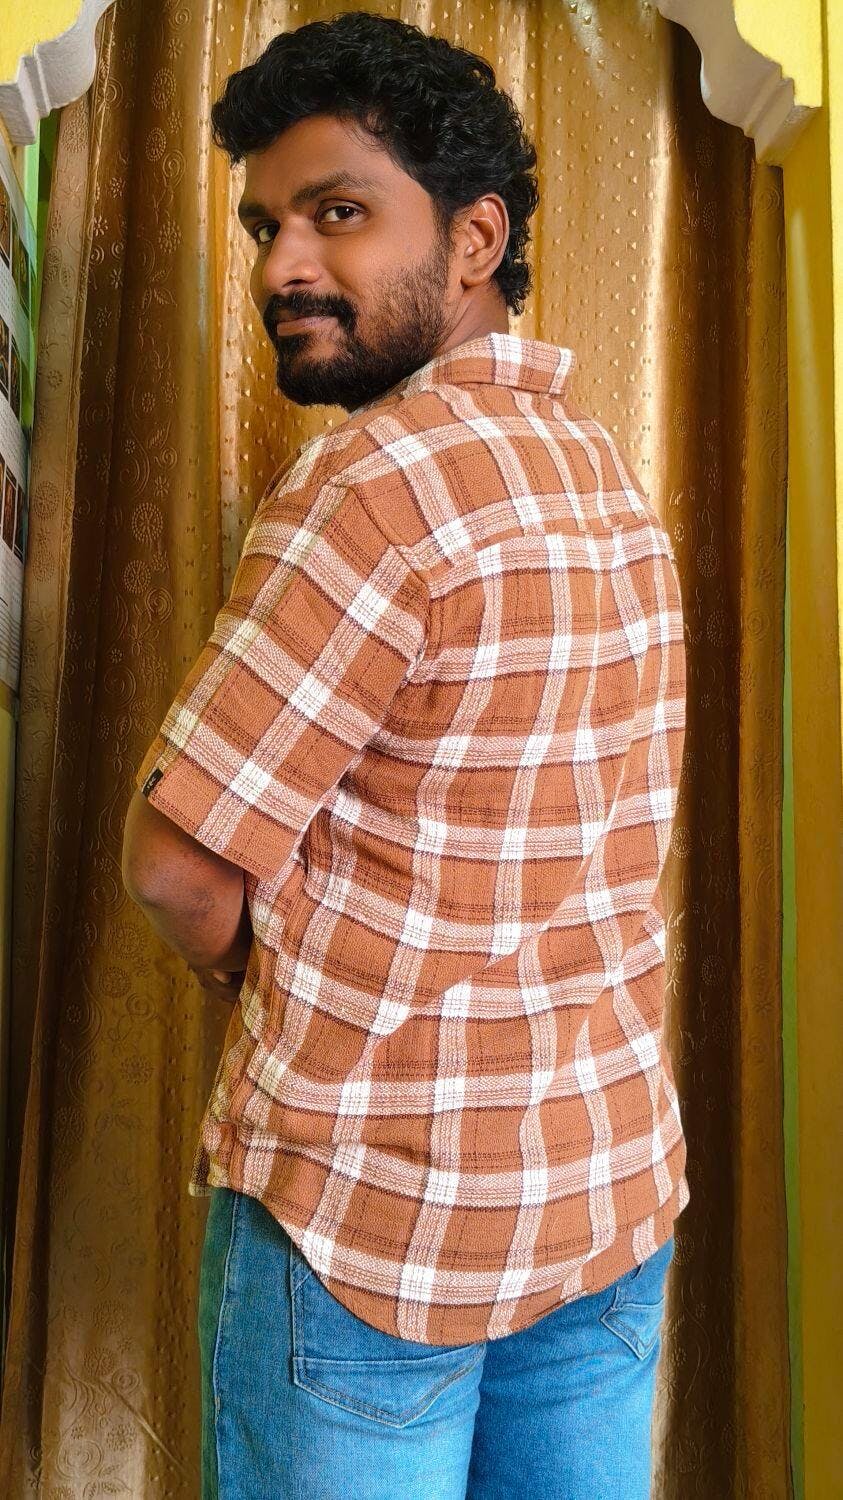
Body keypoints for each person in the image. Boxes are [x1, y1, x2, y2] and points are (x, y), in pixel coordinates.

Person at [121, 12, 689, 1498]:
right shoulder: (606, 479)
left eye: (338, 213)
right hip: (602, 1189)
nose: (282, 267)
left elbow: (178, 870)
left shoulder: (370, 486)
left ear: (477, 236)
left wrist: (278, 973)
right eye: (266, 226)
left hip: (374, 1218)